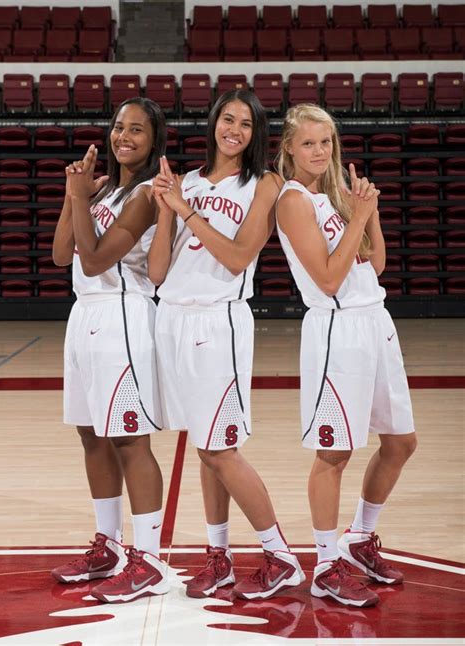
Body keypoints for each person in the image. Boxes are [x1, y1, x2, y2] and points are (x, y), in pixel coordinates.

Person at [148, 89, 305, 600]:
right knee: (206, 447)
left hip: (218, 323)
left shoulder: (265, 183)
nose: (234, 129)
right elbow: (160, 269)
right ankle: (219, 557)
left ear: (257, 132)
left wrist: (187, 213)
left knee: (221, 448)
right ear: (213, 122)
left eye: (246, 123)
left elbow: (239, 258)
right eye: (227, 119)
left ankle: (280, 555)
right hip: (171, 317)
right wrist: (169, 206)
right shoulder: (188, 181)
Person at [276, 103, 417, 607]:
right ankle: (325, 564)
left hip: (375, 321)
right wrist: (357, 216)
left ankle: (358, 539)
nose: (319, 151)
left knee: (401, 441)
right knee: (334, 454)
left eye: (326, 142)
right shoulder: (293, 200)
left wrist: (368, 215)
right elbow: (330, 278)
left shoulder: (330, 197)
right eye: (309, 142)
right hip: (336, 330)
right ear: (289, 147)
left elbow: (373, 263)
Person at [51, 97, 170, 603]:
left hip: (124, 313)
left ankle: (150, 561)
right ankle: (110, 546)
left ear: (153, 139)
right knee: (91, 434)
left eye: (137, 130)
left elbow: (97, 259)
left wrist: (81, 199)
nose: (125, 136)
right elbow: (63, 255)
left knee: (128, 440)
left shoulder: (144, 194)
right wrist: (72, 196)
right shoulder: (102, 191)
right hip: (85, 315)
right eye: (119, 126)